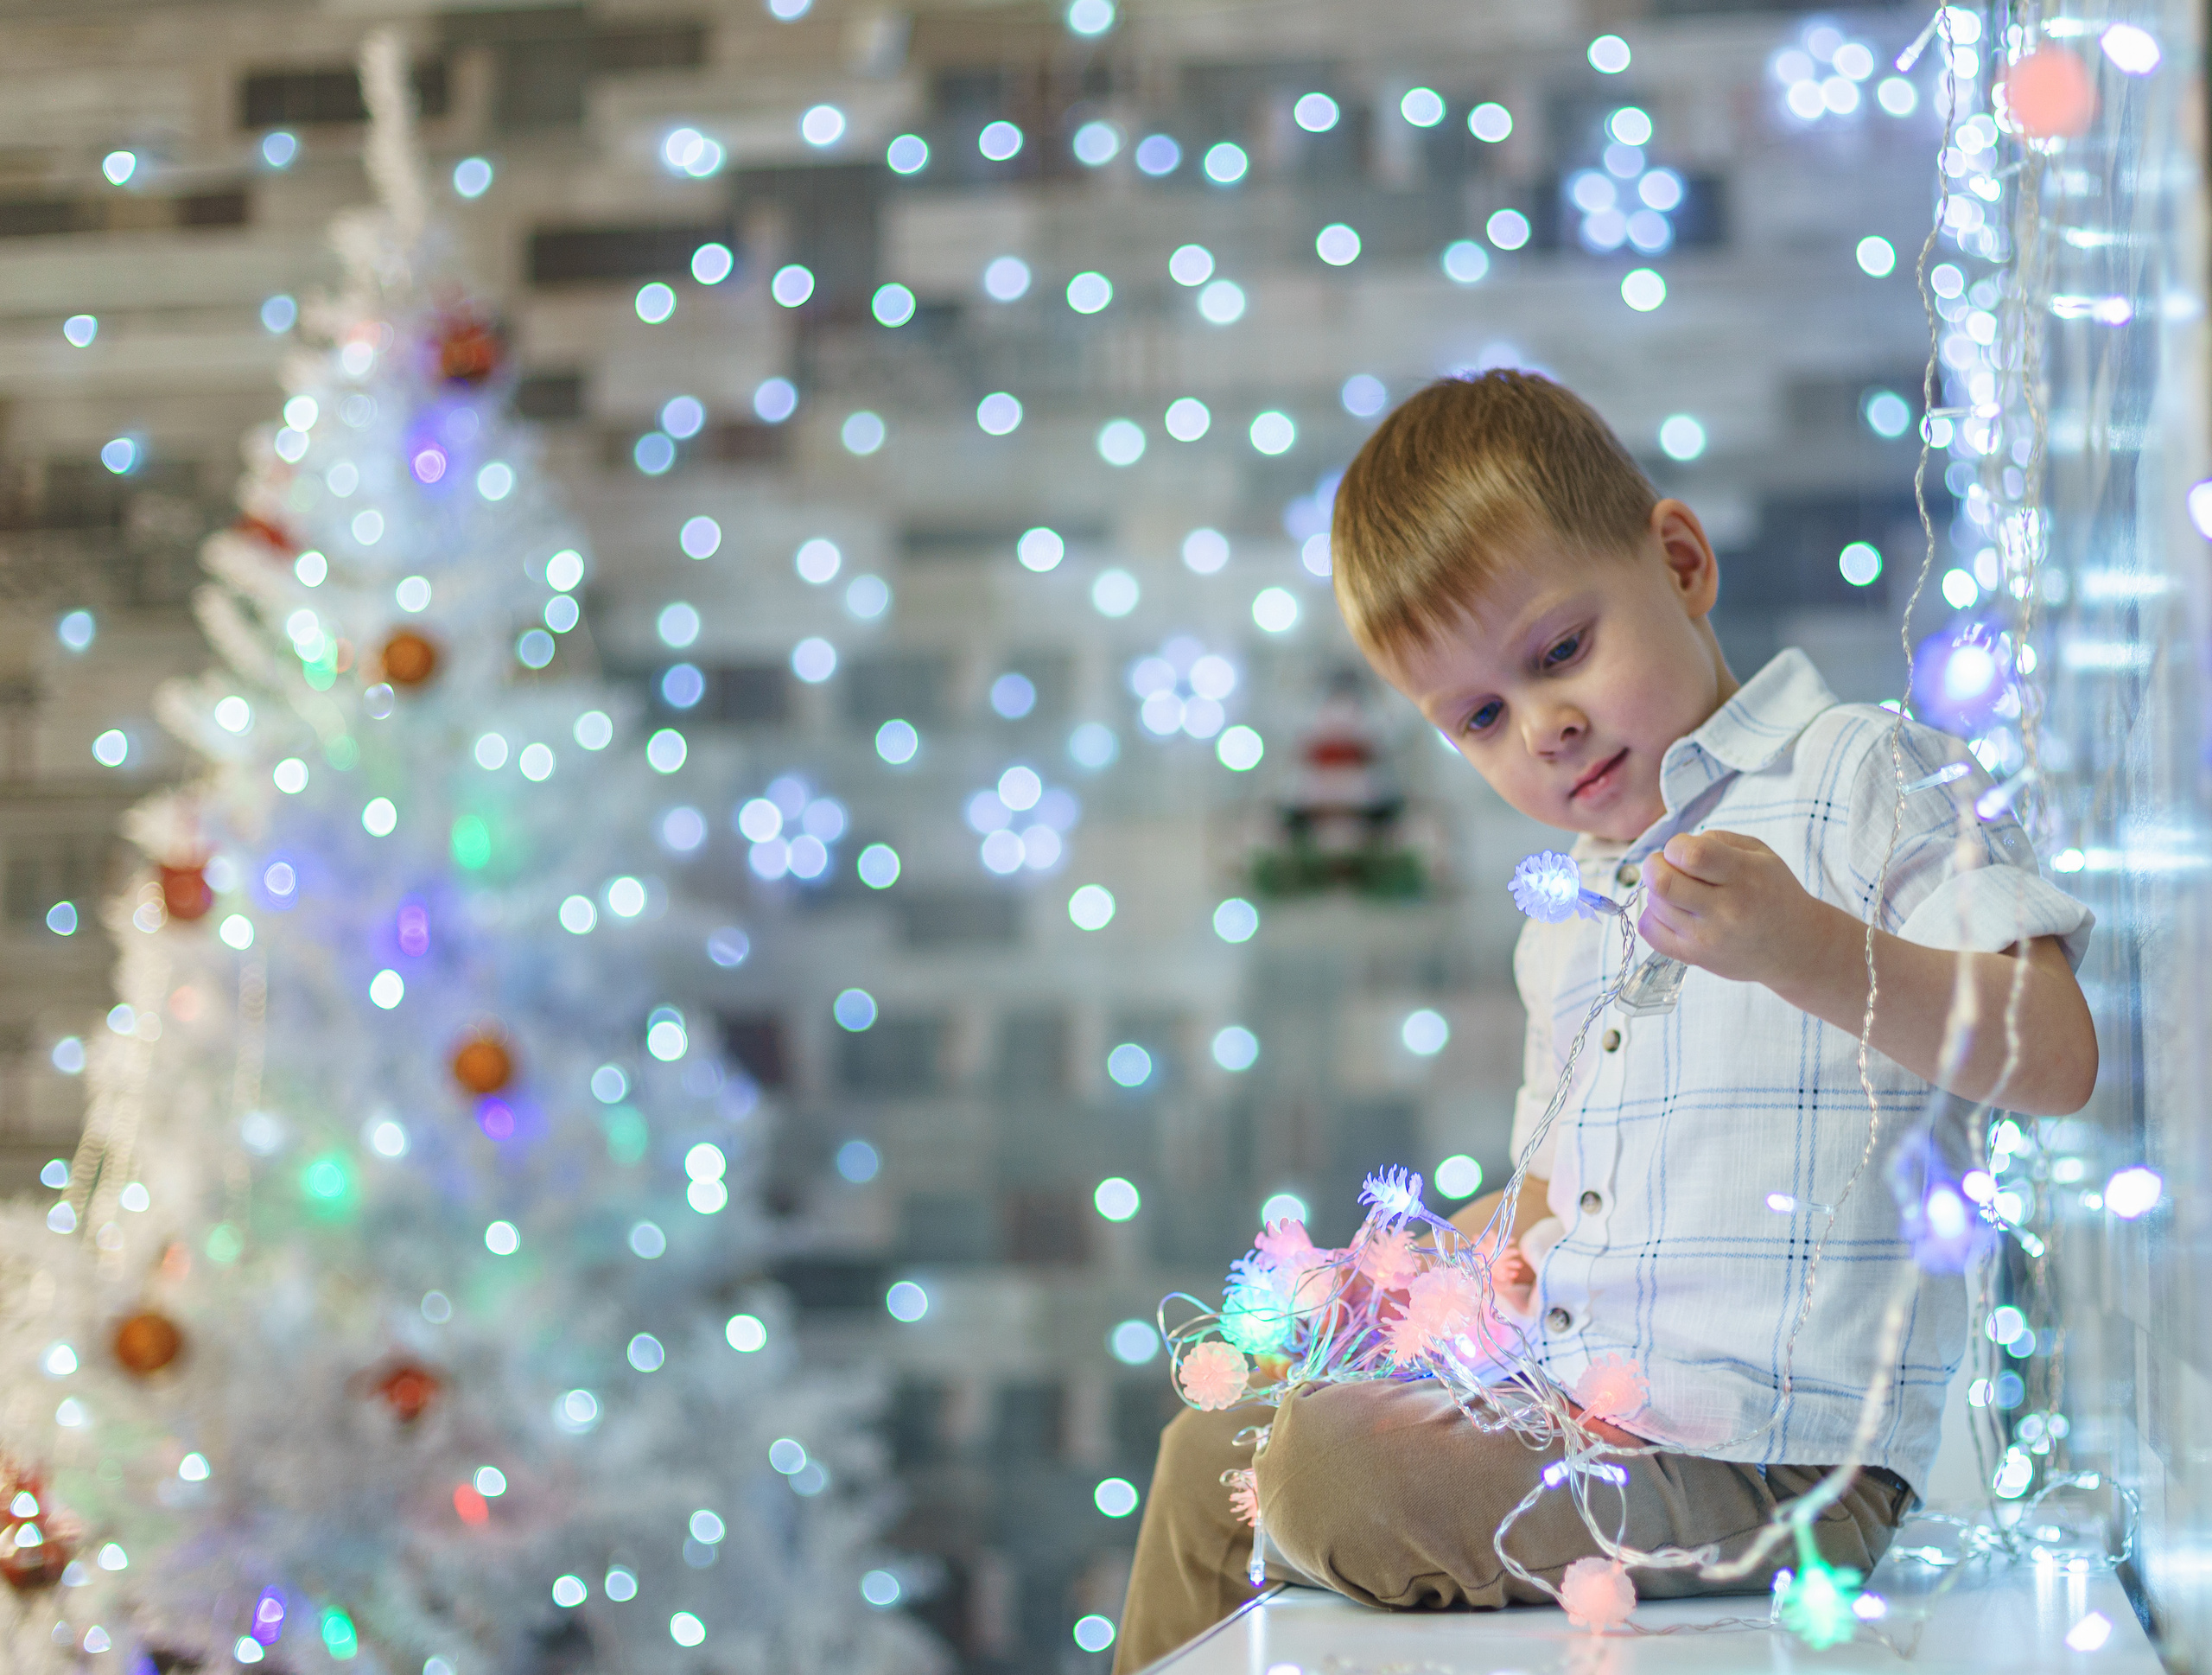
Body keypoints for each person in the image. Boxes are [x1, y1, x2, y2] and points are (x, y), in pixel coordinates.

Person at [1111, 371, 2095, 1672]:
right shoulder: (1567, 912)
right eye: (1480, 717)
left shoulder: (1865, 773)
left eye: (1560, 652)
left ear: (1680, 562)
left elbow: (2057, 1053)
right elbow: (1551, 1196)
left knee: (1322, 1469)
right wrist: (1393, 1275)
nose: (1545, 727)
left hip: (1781, 1470)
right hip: (1580, 1413)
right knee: (1209, 1450)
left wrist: (1804, 947)